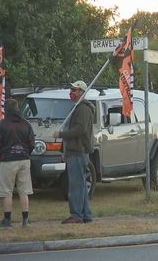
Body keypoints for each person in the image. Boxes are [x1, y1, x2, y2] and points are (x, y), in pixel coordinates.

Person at [53, 80, 95, 224]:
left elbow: (80, 129)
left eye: (75, 89)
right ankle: (85, 215)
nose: (71, 92)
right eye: (71, 89)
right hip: (75, 151)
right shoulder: (77, 107)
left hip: (78, 151)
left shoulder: (83, 108)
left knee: (76, 186)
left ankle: (76, 215)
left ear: (82, 92)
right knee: (81, 185)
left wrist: (61, 135)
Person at [0, 99, 35, 228]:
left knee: (7, 191)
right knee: (24, 191)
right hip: (24, 159)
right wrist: (26, 153)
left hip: (8, 160)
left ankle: (7, 220)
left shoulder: (1, 125)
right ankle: (25, 219)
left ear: (6, 110)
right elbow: (32, 143)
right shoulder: (26, 124)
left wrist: (1, 156)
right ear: (17, 109)